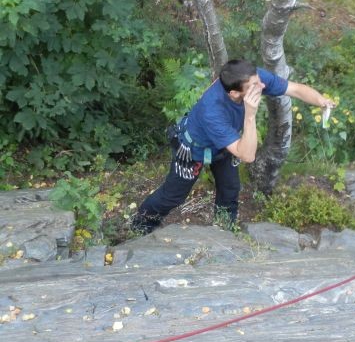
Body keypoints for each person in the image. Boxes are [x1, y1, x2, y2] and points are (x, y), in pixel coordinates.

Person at [131, 59, 336, 235]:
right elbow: (247, 156)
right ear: (234, 93)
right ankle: (141, 227)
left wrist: (321, 101)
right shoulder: (212, 111)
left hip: (227, 146)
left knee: (230, 190)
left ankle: (224, 231)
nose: (261, 87)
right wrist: (250, 114)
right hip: (193, 148)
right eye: (254, 86)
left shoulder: (252, 78)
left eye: (259, 82)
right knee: (172, 196)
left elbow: (295, 88)